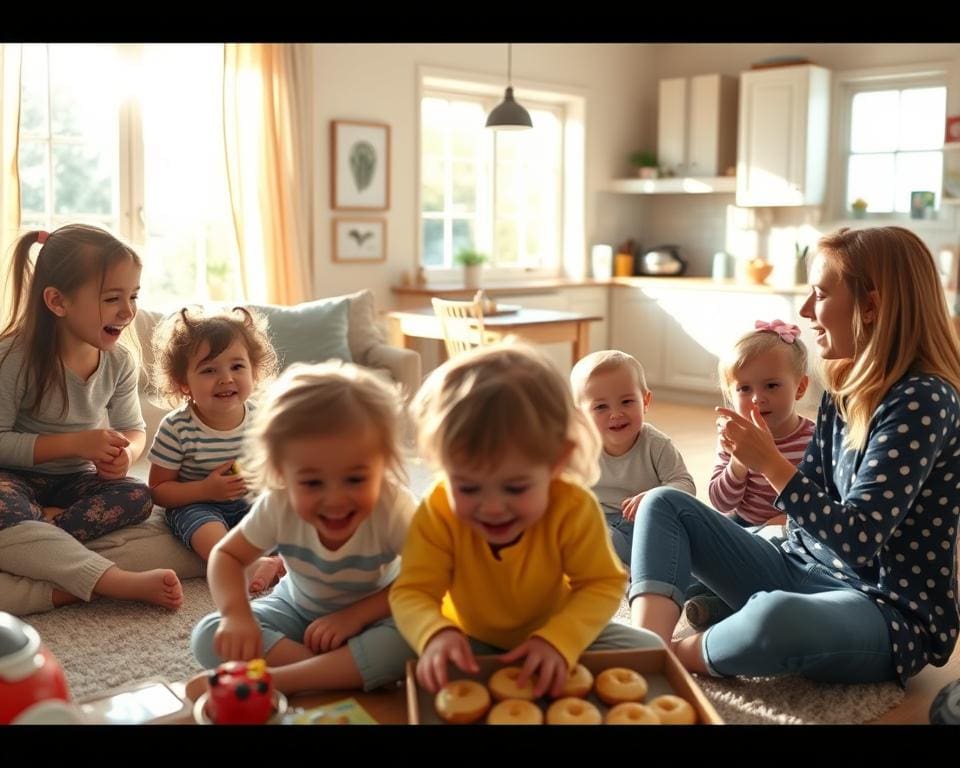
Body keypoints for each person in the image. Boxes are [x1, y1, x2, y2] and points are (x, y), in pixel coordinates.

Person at [629, 226, 960, 686]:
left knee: (777, 618)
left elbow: (860, 538)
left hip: (884, 609)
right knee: (662, 503)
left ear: (871, 304)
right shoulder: (843, 388)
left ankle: (675, 655)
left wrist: (770, 463)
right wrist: (755, 527)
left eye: (820, 294)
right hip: (801, 565)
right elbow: (808, 512)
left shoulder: (924, 400)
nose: (806, 311)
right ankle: (643, 651)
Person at [390, 342, 661, 698]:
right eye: (468, 487)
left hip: (554, 624)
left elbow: (601, 584)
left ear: (556, 462)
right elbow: (412, 591)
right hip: (466, 637)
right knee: (396, 658)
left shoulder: (573, 506)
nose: (492, 508)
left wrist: (559, 640)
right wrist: (435, 633)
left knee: (651, 651)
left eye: (515, 488)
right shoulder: (438, 508)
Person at [189, 361, 418, 697]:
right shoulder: (279, 503)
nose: (335, 500)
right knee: (210, 634)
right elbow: (228, 555)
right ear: (282, 473)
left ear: (384, 466)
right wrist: (236, 615)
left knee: (411, 639)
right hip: (298, 609)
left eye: (355, 479)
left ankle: (284, 681)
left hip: (374, 615)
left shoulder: (394, 506)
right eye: (312, 482)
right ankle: (337, 673)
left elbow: (423, 578)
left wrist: (354, 617)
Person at [0, 224, 182, 611]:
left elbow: (133, 427)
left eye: (133, 295)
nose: (129, 310)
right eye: (112, 298)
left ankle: (35, 536)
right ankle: (111, 581)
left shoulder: (119, 361)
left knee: (136, 495)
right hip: (12, 476)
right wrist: (76, 443)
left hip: (75, 483)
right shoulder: (14, 356)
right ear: (57, 301)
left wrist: (127, 455)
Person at [686, 320, 816, 629]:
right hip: (742, 525)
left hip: (788, 535)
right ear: (730, 395)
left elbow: (820, 503)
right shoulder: (734, 438)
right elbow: (720, 501)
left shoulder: (813, 440)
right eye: (744, 388)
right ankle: (697, 593)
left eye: (771, 385)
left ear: (800, 386)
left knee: (779, 574)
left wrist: (785, 521)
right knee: (693, 562)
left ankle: (716, 608)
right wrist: (738, 463)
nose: (757, 398)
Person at [148, 306, 284, 594]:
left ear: (254, 371)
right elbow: (159, 490)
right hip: (198, 503)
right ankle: (241, 567)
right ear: (183, 383)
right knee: (202, 525)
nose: (226, 378)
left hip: (251, 499)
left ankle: (287, 561)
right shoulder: (177, 428)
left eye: (237, 366)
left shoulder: (263, 417)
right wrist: (206, 490)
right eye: (209, 370)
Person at [569, 349, 695, 566]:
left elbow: (685, 485)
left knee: (680, 549)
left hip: (647, 524)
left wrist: (654, 497)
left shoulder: (656, 444)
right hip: (600, 524)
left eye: (627, 402)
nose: (616, 414)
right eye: (601, 407)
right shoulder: (581, 449)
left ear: (645, 401)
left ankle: (635, 569)